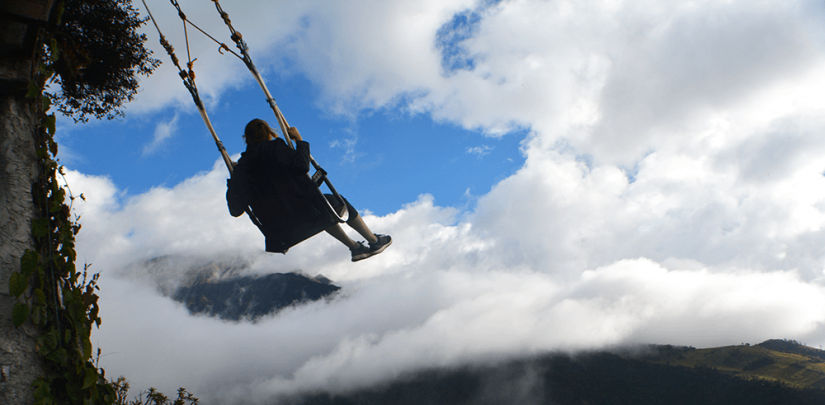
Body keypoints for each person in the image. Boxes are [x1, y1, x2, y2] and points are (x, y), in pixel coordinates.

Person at [227, 118, 391, 261]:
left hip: (279, 232)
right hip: (306, 213)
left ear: (246, 139)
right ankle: (374, 241)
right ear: (268, 133)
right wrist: (299, 140)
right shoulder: (275, 148)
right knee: (331, 203)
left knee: (321, 208)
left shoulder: (240, 171)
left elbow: (236, 210)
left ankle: (355, 248)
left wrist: (233, 182)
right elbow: (301, 165)